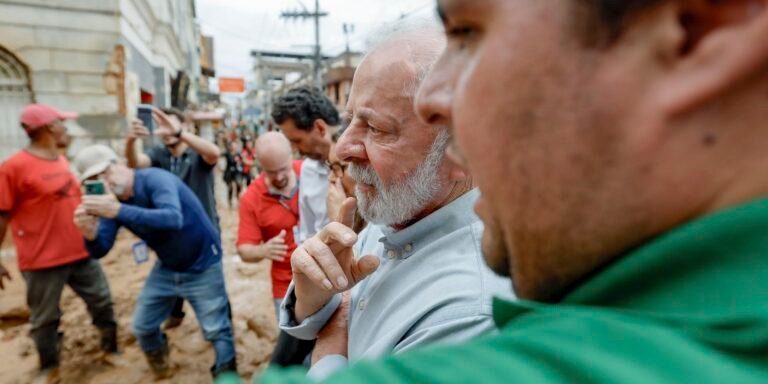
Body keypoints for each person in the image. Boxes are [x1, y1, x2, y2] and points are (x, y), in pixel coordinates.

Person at [263, 0, 768, 382]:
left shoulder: (485, 318)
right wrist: (317, 307)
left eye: (467, 33)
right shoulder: (390, 213)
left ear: (696, 32)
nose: (439, 99)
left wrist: (328, 356)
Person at [276, 19, 514, 380]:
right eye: (350, 119)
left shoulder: (469, 313)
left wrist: (328, 353)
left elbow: (338, 328)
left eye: (376, 128)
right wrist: (314, 298)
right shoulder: (399, 207)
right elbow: (335, 310)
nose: (343, 147)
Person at [72, 145, 237, 379]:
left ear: (121, 164)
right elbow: (100, 249)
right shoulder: (114, 204)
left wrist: (118, 210)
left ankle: (227, 375)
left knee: (216, 329)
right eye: (93, 180)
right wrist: (89, 233)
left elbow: (172, 218)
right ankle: (161, 365)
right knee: (142, 326)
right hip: (168, 266)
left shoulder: (155, 179)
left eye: (105, 173)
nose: (104, 181)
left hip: (203, 263)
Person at [0, 104, 118, 379]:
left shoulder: (62, 160)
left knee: (102, 301)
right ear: (50, 128)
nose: (66, 128)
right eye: (62, 123)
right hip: (41, 260)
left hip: (81, 251)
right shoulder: (13, 168)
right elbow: (2, 214)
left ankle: (111, 350)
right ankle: (49, 367)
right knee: (45, 318)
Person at [126, 107, 221, 329]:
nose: (165, 131)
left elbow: (214, 153)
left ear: (184, 127)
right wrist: (131, 140)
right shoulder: (159, 156)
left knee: (212, 283)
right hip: (171, 231)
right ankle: (176, 314)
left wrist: (179, 133)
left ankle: (222, 327)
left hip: (203, 234)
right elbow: (134, 164)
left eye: (170, 125)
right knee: (173, 272)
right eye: (161, 127)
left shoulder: (197, 154)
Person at [236, 132, 302, 313]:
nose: (279, 177)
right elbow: (244, 250)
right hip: (286, 284)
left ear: (292, 155)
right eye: (271, 172)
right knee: (290, 330)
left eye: (283, 168)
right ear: (260, 165)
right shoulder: (251, 198)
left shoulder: (311, 173)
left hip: (326, 273)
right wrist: (263, 250)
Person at [272, 86, 342, 243]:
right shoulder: (309, 170)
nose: (294, 148)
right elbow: (307, 233)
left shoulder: (363, 164)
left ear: (320, 128)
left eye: (297, 140)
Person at [223, 141, 244, 208]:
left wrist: (240, 163)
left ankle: (238, 199)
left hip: (236, 172)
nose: (233, 147)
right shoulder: (227, 154)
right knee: (230, 187)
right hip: (229, 172)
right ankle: (229, 201)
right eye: (232, 145)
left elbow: (242, 161)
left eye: (235, 146)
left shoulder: (238, 154)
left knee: (239, 184)